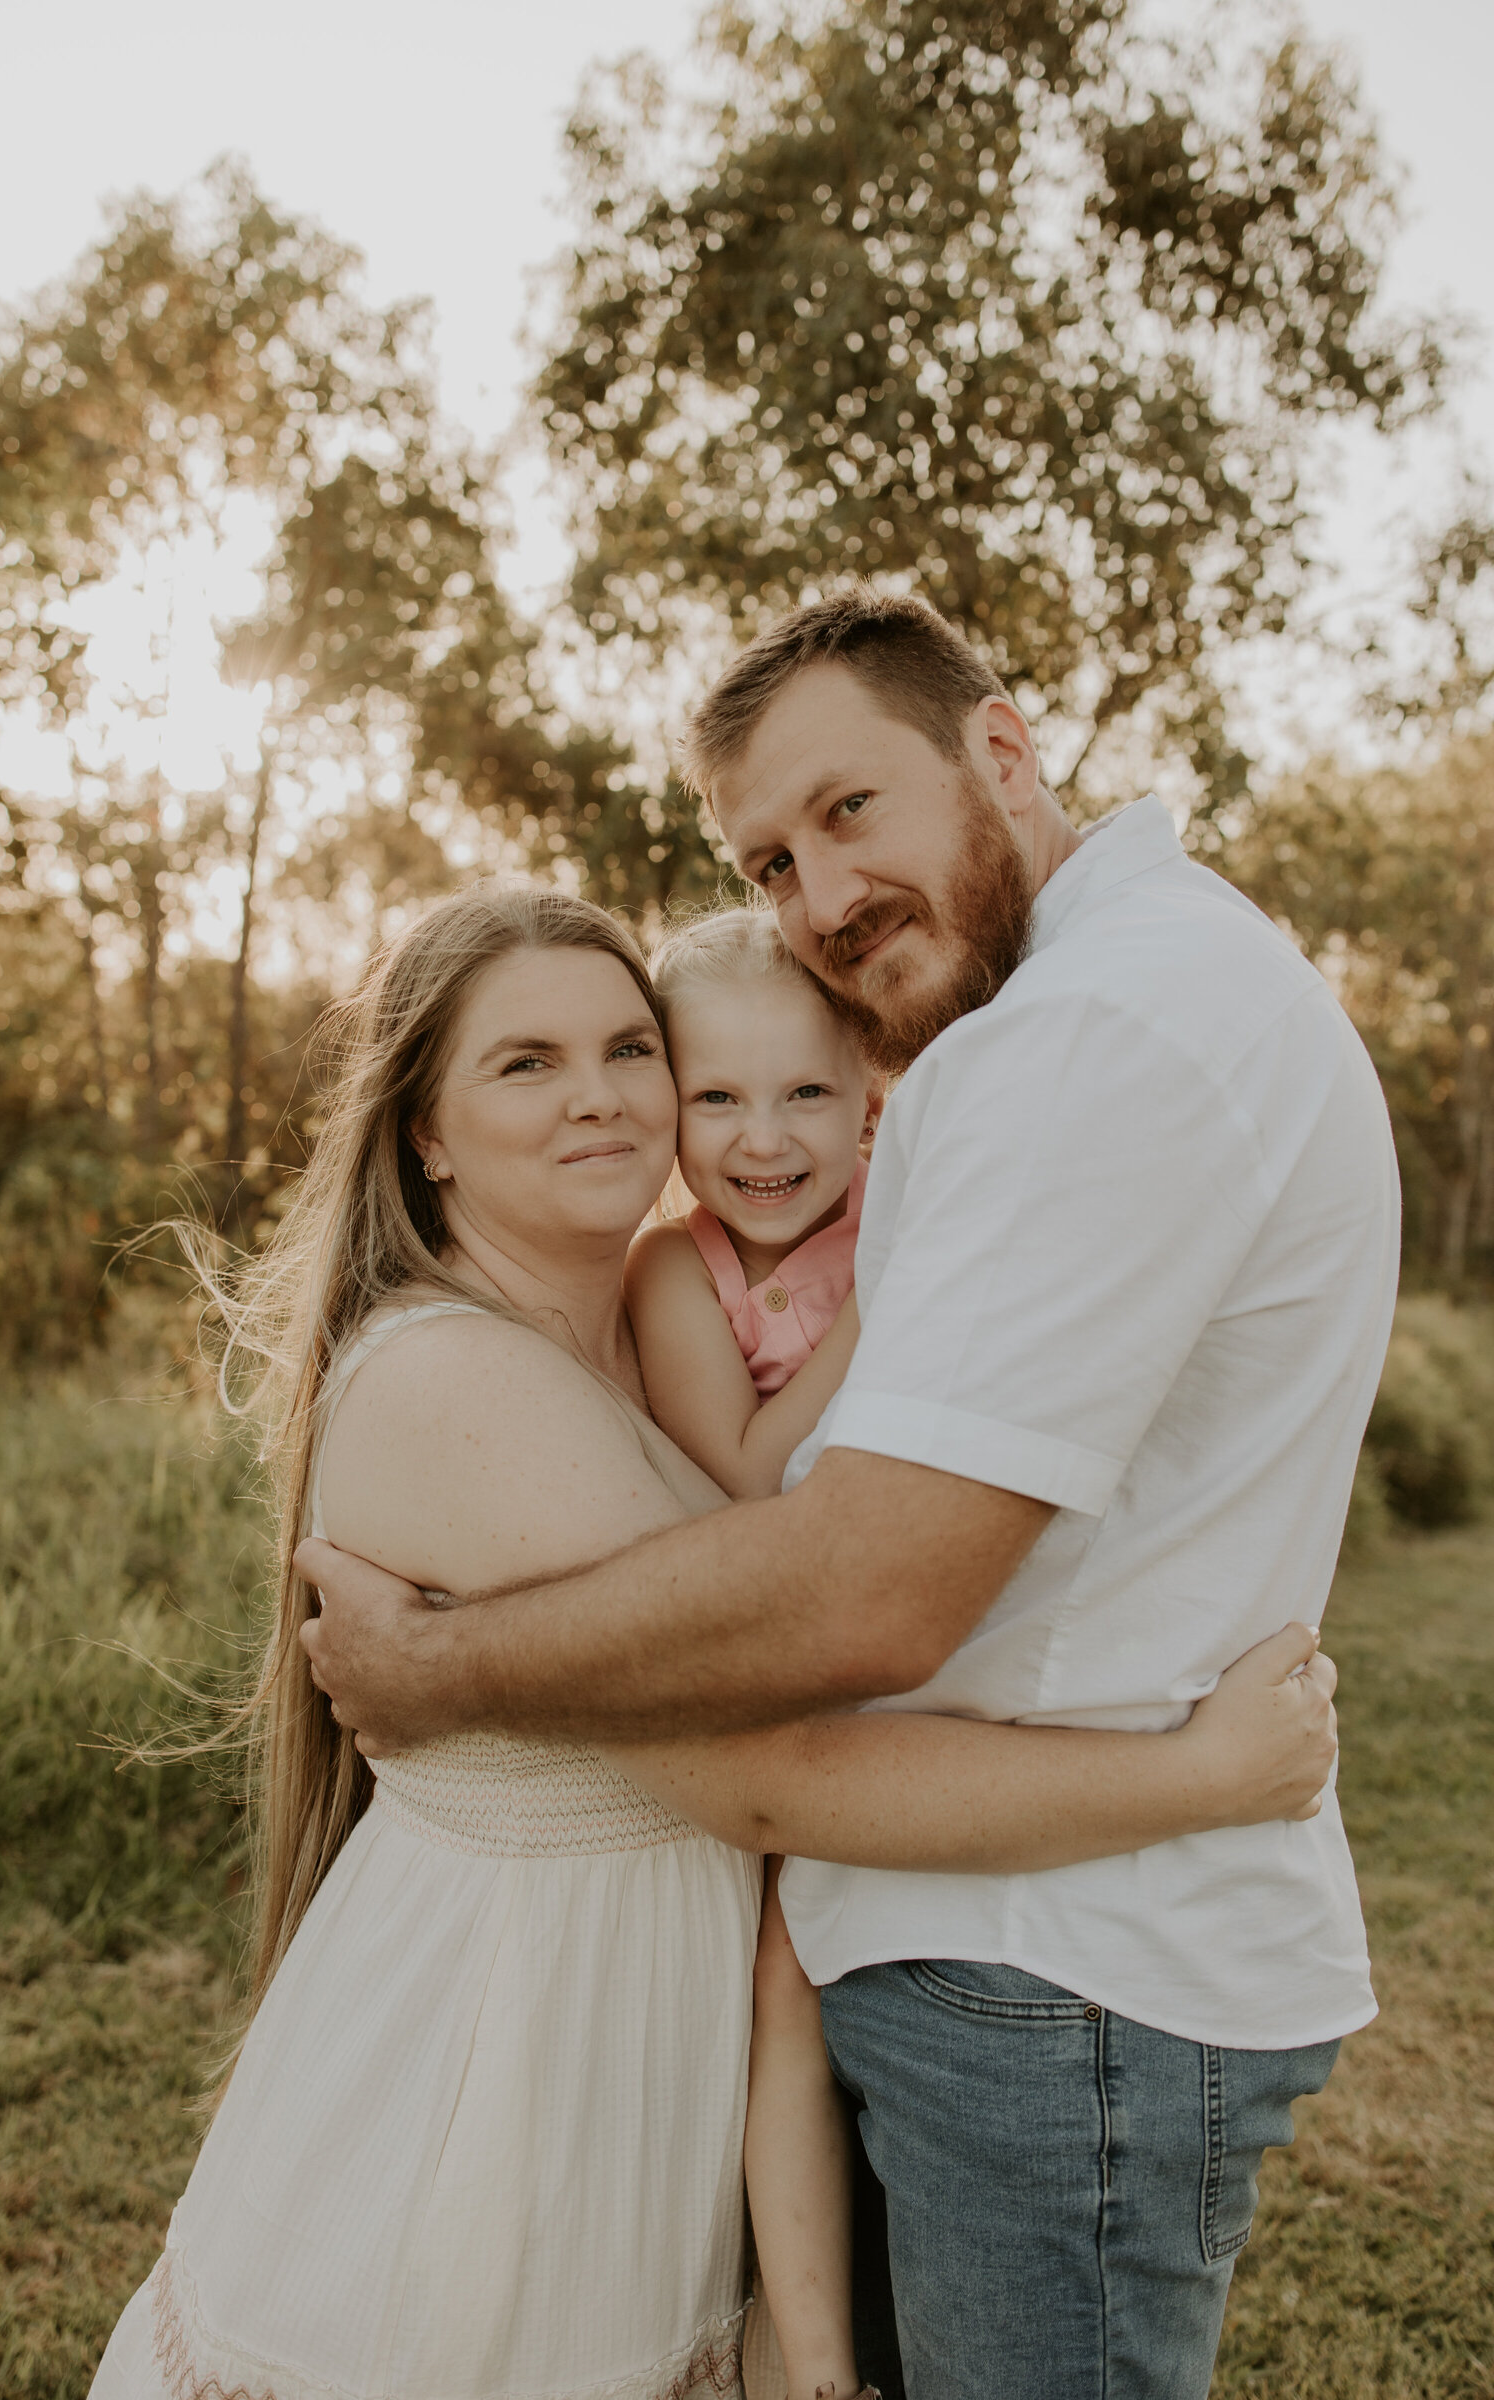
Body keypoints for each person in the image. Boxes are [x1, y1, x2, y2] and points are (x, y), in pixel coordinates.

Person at [299, 587, 1401, 2400]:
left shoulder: (1092, 1036)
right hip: (999, 1942)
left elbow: (861, 1594)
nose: (818, 896)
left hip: (1058, 1985)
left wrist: (447, 1673)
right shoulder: (1079, 1014)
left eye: (849, 811)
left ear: (1003, 746)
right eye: (770, 857)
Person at [90, 882, 1341, 2400]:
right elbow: (776, 1777)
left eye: (628, 1047)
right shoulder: (453, 1384)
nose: (602, 1097)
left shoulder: (645, 1322)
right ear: (424, 1127)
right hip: (500, 2071)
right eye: (526, 1063)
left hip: (649, 2061)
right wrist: (1195, 1783)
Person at [628, 908, 881, 2398]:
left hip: (935, 1644)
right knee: (782, 1992)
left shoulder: (923, 1207)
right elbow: (743, 1470)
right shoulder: (682, 1273)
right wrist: (882, 1307)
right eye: (717, 1096)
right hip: (789, 1667)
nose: (762, 1138)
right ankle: (814, 2362)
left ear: (870, 1092)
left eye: (803, 1094)